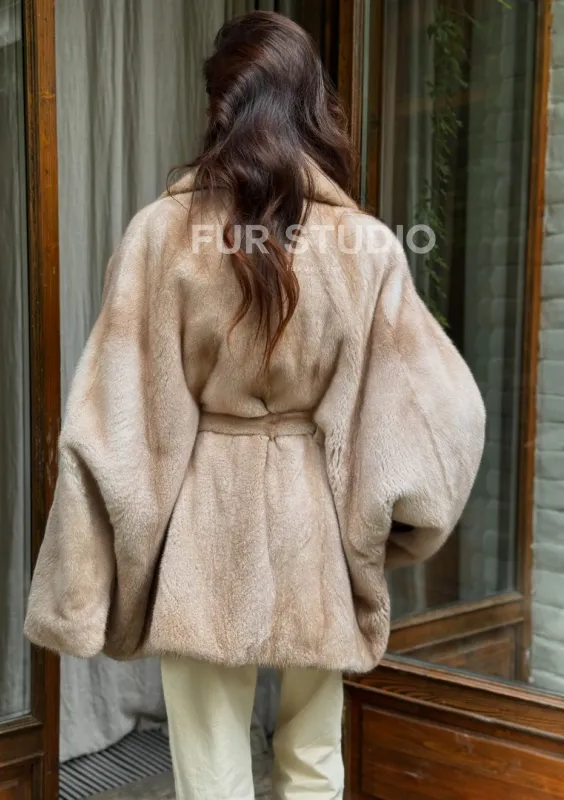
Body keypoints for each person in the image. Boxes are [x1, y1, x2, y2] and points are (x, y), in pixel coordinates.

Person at [24, 11, 485, 799]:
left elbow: (120, 421)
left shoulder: (162, 235)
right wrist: (398, 522)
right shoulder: (368, 246)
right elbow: (438, 409)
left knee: (210, 768)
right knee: (313, 757)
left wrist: (97, 567)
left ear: (220, 104)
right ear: (313, 104)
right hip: (316, 524)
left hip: (206, 529)